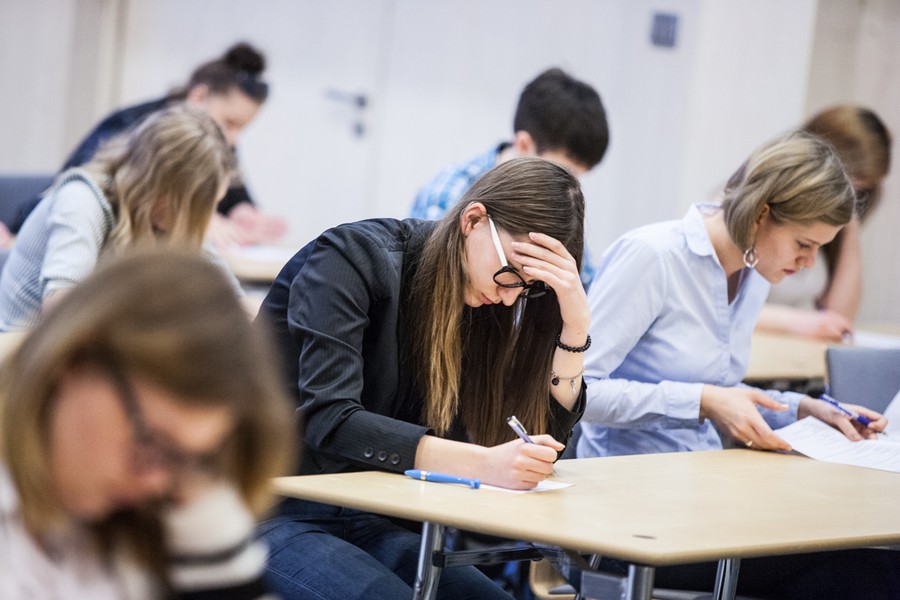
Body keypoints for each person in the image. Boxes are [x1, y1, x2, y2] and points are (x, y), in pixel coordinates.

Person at [576, 131, 899, 599]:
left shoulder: (755, 270)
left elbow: (722, 392)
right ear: (762, 214)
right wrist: (702, 402)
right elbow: (575, 391)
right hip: (623, 522)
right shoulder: (654, 257)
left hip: (700, 501)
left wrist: (803, 409)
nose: (809, 263)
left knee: (866, 558)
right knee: (864, 571)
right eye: (804, 244)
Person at [256, 157, 589, 599]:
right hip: (277, 507)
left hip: (377, 516)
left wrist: (575, 329)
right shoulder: (350, 258)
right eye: (511, 274)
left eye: (529, 288)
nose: (510, 298)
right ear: (473, 220)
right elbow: (330, 418)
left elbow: (535, 440)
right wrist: (484, 464)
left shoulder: (484, 301)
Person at [0, 248, 295, 598]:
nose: (155, 483)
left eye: (186, 459)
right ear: (76, 358)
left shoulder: (163, 504)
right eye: (152, 439)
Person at [9, 41, 287, 248]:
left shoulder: (218, 140)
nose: (233, 138)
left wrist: (242, 212)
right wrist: (194, 211)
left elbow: (235, 193)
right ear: (199, 97)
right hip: (52, 235)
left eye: (242, 128)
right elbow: (98, 188)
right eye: (230, 123)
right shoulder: (135, 127)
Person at [0, 105, 239, 332]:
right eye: (205, 205)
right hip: (20, 350)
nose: (209, 217)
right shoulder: (82, 200)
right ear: (166, 193)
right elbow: (60, 309)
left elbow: (231, 300)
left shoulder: (166, 219)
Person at [409, 67, 609, 288]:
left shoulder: (557, 202)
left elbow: (586, 284)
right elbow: (430, 284)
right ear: (523, 144)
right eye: (565, 171)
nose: (570, 185)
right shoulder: (450, 194)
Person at [757, 105, 892, 341]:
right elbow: (725, 310)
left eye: (861, 190)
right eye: (851, 182)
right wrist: (800, 323)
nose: (808, 262)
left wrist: (849, 222)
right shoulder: (753, 209)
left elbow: (839, 319)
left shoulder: (832, 226)